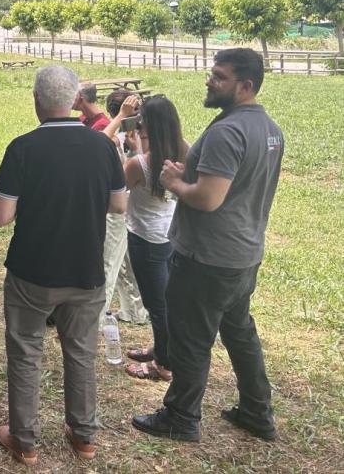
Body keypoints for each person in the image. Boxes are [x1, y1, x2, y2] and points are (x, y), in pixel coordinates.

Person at [134, 49, 284, 443]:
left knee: (190, 339)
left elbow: (208, 199)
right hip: (244, 255)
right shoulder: (268, 129)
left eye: (219, 76)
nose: (209, 80)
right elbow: (235, 184)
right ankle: (257, 412)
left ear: (245, 86)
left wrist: (175, 184)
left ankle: (181, 418)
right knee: (240, 334)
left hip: (207, 258)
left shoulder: (226, 131)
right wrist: (192, 174)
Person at [0, 66, 126, 466]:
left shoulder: (22, 148)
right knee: (82, 353)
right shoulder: (102, 146)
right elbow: (119, 205)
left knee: (26, 353)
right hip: (86, 270)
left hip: (32, 272)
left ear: (36, 101)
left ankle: (25, 441)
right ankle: (84, 436)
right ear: (74, 101)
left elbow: (1, 217)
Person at [110, 95, 188, 382]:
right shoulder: (185, 151)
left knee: (157, 306)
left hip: (145, 240)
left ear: (148, 126)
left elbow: (115, 192)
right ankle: (161, 349)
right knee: (167, 300)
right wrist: (139, 147)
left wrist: (131, 151)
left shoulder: (138, 164)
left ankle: (164, 365)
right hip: (171, 236)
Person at [99, 90, 148, 325]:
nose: (138, 118)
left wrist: (122, 119)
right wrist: (121, 117)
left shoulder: (132, 136)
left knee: (118, 261)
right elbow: (100, 143)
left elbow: (98, 141)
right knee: (118, 261)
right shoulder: (121, 135)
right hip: (123, 208)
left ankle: (125, 312)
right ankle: (119, 312)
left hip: (126, 208)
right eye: (134, 113)